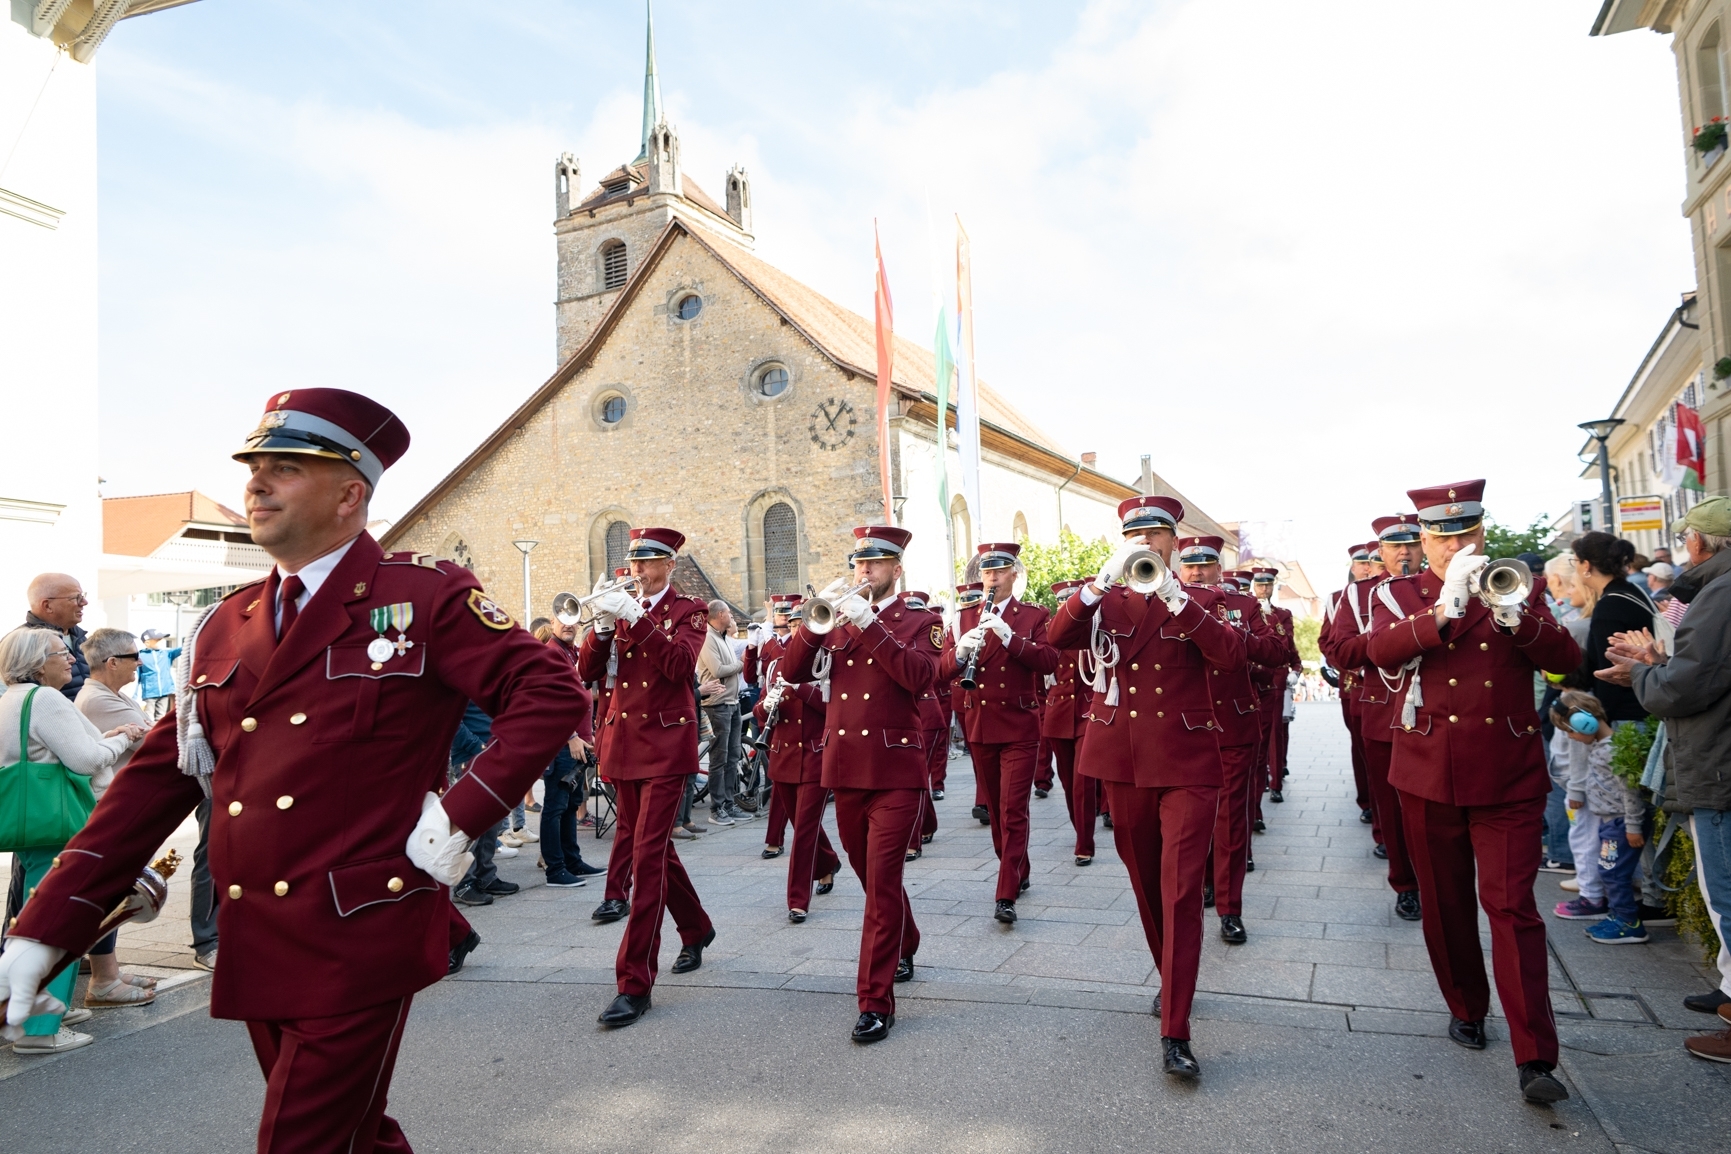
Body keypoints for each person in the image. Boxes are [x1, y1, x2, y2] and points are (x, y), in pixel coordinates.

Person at [0, 388, 581, 1148]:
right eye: (253, 468)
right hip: (260, 931)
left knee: (302, 1142)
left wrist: (457, 814)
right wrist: (49, 924)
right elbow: (156, 780)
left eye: (285, 468)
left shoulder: (421, 596)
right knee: (353, 1136)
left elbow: (547, 690)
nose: (256, 484)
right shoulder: (226, 622)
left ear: (350, 493)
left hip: (358, 929)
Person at [1365, 479, 1579, 1103]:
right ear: (1422, 540)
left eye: (1468, 534)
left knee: (1513, 909)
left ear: (1484, 533)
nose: (1457, 545)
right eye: (1443, 536)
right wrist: (1443, 610)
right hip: (1428, 770)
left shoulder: (1519, 584)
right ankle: (1465, 1003)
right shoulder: (1395, 592)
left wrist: (1516, 619)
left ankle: (1535, 1056)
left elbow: (1566, 656)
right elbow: (1378, 650)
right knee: (1447, 902)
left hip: (1506, 771)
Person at [1048, 496, 1245, 1078]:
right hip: (1122, 759)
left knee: (1182, 889)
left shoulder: (1205, 600)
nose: (1145, 543)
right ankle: (1171, 974)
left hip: (1187, 760)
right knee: (1145, 881)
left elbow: (1231, 656)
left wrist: (1176, 599)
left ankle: (1176, 1030)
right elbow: (1059, 636)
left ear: (1174, 542)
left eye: (1155, 534)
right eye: (1134, 533)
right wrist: (1097, 585)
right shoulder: (1105, 603)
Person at [779, 525, 939, 1043]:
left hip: (895, 768)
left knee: (882, 881)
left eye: (875, 564)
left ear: (897, 569)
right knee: (870, 875)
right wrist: (813, 622)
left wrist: (870, 624)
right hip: (846, 767)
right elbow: (792, 669)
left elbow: (920, 677)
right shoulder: (839, 615)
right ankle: (906, 940)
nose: (863, 572)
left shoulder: (920, 620)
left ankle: (874, 1000)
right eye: (858, 563)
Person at [1594, 496, 1731, 1057]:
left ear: (1697, 542)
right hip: (1715, 755)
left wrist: (1643, 673)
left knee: (1725, 891)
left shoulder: (1720, 591)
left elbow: (1686, 686)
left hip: (1718, 761)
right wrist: (1654, 664)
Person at [578, 527, 717, 1027]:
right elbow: (587, 671)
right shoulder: (621, 608)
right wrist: (599, 625)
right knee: (651, 848)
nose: (636, 570)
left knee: (647, 859)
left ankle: (634, 981)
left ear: (669, 565)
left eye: (646, 562)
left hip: (663, 747)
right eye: (632, 562)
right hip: (623, 744)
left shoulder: (689, 611)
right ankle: (696, 927)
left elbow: (679, 665)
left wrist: (637, 619)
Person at [0, 628, 146, 1053]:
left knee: (34, 918)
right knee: (56, 921)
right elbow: (84, 760)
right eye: (59, 652)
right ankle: (39, 1026)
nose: (70, 658)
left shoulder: (11, 700)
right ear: (35, 663)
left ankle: (32, 1008)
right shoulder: (43, 699)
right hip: (62, 826)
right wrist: (123, 737)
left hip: (35, 824)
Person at [940, 543, 1059, 922]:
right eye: (986, 571)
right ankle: (1016, 868)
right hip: (979, 724)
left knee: (1012, 810)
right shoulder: (962, 619)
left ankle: (1004, 892)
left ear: (1013, 574)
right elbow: (940, 672)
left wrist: (1009, 637)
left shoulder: (1034, 615)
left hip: (1020, 724)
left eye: (999, 570)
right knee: (994, 809)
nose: (991, 577)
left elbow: (1048, 660)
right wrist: (960, 653)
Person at [1178, 536, 1283, 943]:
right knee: (1189, 823)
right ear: (1178, 568)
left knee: (1230, 822)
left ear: (1219, 569)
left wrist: (1236, 639)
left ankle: (1229, 907)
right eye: (1190, 565)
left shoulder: (1244, 606)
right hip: (1183, 731)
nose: (1198, 572)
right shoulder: (1163, 604)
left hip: (1233, 726)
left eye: (1206, 564)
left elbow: (1276, 650)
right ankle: (1204, 884)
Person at [1324, 515, 1426, 923]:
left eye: (1412, 543)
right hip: (1384, 706)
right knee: (1392, 803)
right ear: (1379, 552)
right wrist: (1390, 636)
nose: (1404, 552)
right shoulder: (1357, 596)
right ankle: (1406, 884)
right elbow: (1342, 651)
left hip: (1437, 711)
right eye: (1394, 545)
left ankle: (1437, 878)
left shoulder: (1444, 587)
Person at [72, 628, 162, 1008]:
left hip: (115, 802)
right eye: (132, 655)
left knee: (110, 891)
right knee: (108, 893)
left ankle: (107, 971)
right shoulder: (99, 699)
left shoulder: (109, 695)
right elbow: (156, 739)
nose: (139, 661)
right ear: (112, 663)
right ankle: (105, 981)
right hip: (111, 805)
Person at [753, 595, 839, 921]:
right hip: (782, 756)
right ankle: (828, 862)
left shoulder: (826, 661)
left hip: (816, 755)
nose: (795, 631)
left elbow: (833, 708)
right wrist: (767, 704)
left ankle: (797, 899)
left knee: (803, 830)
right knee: (800, 823)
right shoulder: (776, 665)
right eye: (791, 625)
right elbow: (759, 711)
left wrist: (799, 688)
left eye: (800, 624)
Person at [1549, 691, 1649, 944]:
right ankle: (1619, 917)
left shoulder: (1614, 751)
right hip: (1611, 824)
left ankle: (1629, 923)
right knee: (1608, 870)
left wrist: (1633, 827)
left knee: (1613, 872)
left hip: (1621, 824)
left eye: (1570, 731)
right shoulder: (1601, 747)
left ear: (1586, 723)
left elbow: (1631, 792)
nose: (1571, 737)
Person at [537, 616, 603, 888]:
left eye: (573, 621)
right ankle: (555, 869)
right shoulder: (551, 653)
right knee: (555, 806)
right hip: (563, 745)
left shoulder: (570, 652)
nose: (569, 625)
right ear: (553, 622)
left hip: (578, 745)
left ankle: (571, 861)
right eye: (563, 621)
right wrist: (571, 736)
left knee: (571, 804)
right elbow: (548, 701)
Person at [1041, 580, 1097, 866]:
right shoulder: (1051, 629)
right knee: (1066, 781)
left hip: (1088, 713)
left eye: (1070, 599)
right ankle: (1080, 829)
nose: (1065, 604)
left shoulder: (1095, 628)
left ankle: (1084, 843)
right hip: (1059, 714)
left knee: (1081, 783)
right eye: (1061, 600)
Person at [1248, 568, 1300, 805]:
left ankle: (1276, 782)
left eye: (1268, 585)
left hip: (1275, 678)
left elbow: (1287, 646)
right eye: (1260, 585)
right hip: (1249, 676)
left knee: (1275, 733)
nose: (1264, 589)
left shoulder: (1282, 614)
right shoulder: (1246, 608)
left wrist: (1294, 670)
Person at [698, 599, 749, 827]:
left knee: (732, 757)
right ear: (719, 615)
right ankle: (716, 808)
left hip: (732, 703)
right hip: (717, 705)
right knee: (718, 759)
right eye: (728, 612)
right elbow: (718, 670)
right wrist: (740, 665)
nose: (731, 615)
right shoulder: (708, 638)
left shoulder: (723, 637)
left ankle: (729, 803)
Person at [23, 574, 89, 702]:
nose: (84, 603)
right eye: (76, 597)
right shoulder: (23, 644)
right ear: (47, 606)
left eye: (83, 596)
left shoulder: (80, 638)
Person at [136, 629, 182, 722]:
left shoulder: (166, 653)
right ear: (147, 642)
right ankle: (148, 735)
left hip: (165, 692)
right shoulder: (141, 656)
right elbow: (137, 676)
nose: (162, 642)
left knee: (161, 717)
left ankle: (158, 735)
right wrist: (135, 696)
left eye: (162, 639)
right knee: (148, 717)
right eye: (158, 640)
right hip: (149, 693)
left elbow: (182, 649)